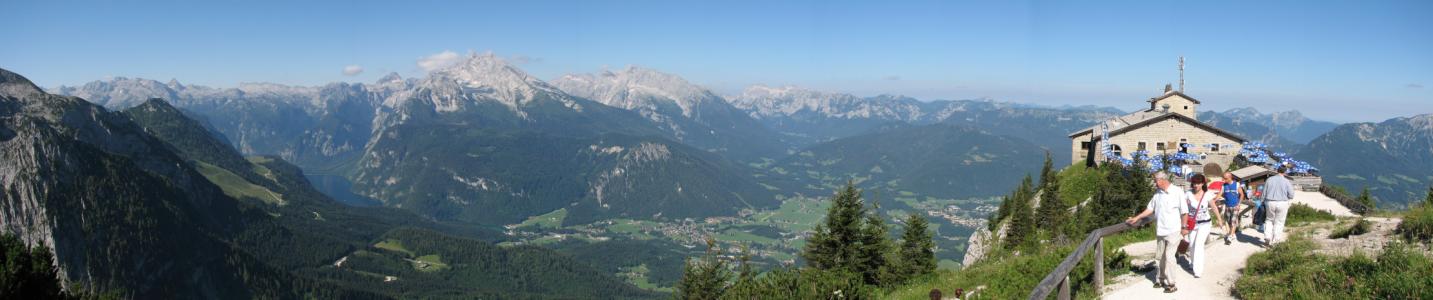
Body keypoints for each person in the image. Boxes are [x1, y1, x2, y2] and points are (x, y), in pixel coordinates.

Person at [1126, 171, 1187, 293]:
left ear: (1162, 180)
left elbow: (1184, 212)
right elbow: (1150, 209)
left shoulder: (1177, 192)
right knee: (1159, 257)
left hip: (1173, 230)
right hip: (1160, 230)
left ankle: (1171, 283)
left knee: (1169, 257)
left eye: (1155, 180)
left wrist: (1184, 227)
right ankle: (1160, 279)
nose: (1154, 182)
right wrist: (1137, 218)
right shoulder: (1157, 194)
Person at [1184, 174, 1218, 278]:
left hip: (1205, 223)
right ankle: (1193, 263)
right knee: (1192, 245)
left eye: (1198, 183)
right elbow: (1183, 209)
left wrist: (1220, 220)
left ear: (1202, 183)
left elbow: (1214, 207)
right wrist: (1182, 224)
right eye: (1194, 183)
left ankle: (1197, 271)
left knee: (1199, 245)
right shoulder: (1188, 194)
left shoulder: (1207, 194)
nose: (1195, 185)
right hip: (1192, 224)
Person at [1262, 166, 1296, 245]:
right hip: (1282, 202)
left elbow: (1264, 193)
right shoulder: (1286, 181)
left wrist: (1262, 202)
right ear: (1285, 172)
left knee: (1269, 220)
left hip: (1270, 202)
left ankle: (1267, 236)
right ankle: (1275, 240)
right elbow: (1291, 195)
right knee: (1279, 222)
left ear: (1277, 170)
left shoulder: (1269, 180)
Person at [1217, 172, 1245, 245]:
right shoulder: (1224, 185)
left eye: (1225, 178)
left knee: (1233, 221)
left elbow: (1242, 195)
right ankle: (1232, 234)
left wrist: (1239, 204)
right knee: (1228, 221)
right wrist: (1213, 200)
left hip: (1235, 206)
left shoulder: (1237, 184)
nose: (1224, 179)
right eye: (1223, 178)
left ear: (1230, 178)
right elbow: (1219, 194)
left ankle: (1230, 236)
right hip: (1227, 206)